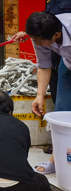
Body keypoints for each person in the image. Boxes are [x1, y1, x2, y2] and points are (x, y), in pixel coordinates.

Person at [24, 10, 71, 174]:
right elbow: (44, 65)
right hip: (68, 64)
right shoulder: (42, 34)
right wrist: (39, 96)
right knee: (62, 113)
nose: (35, 43)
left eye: (39, 40)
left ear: (57, 34)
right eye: (34, 39)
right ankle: (56, 160)